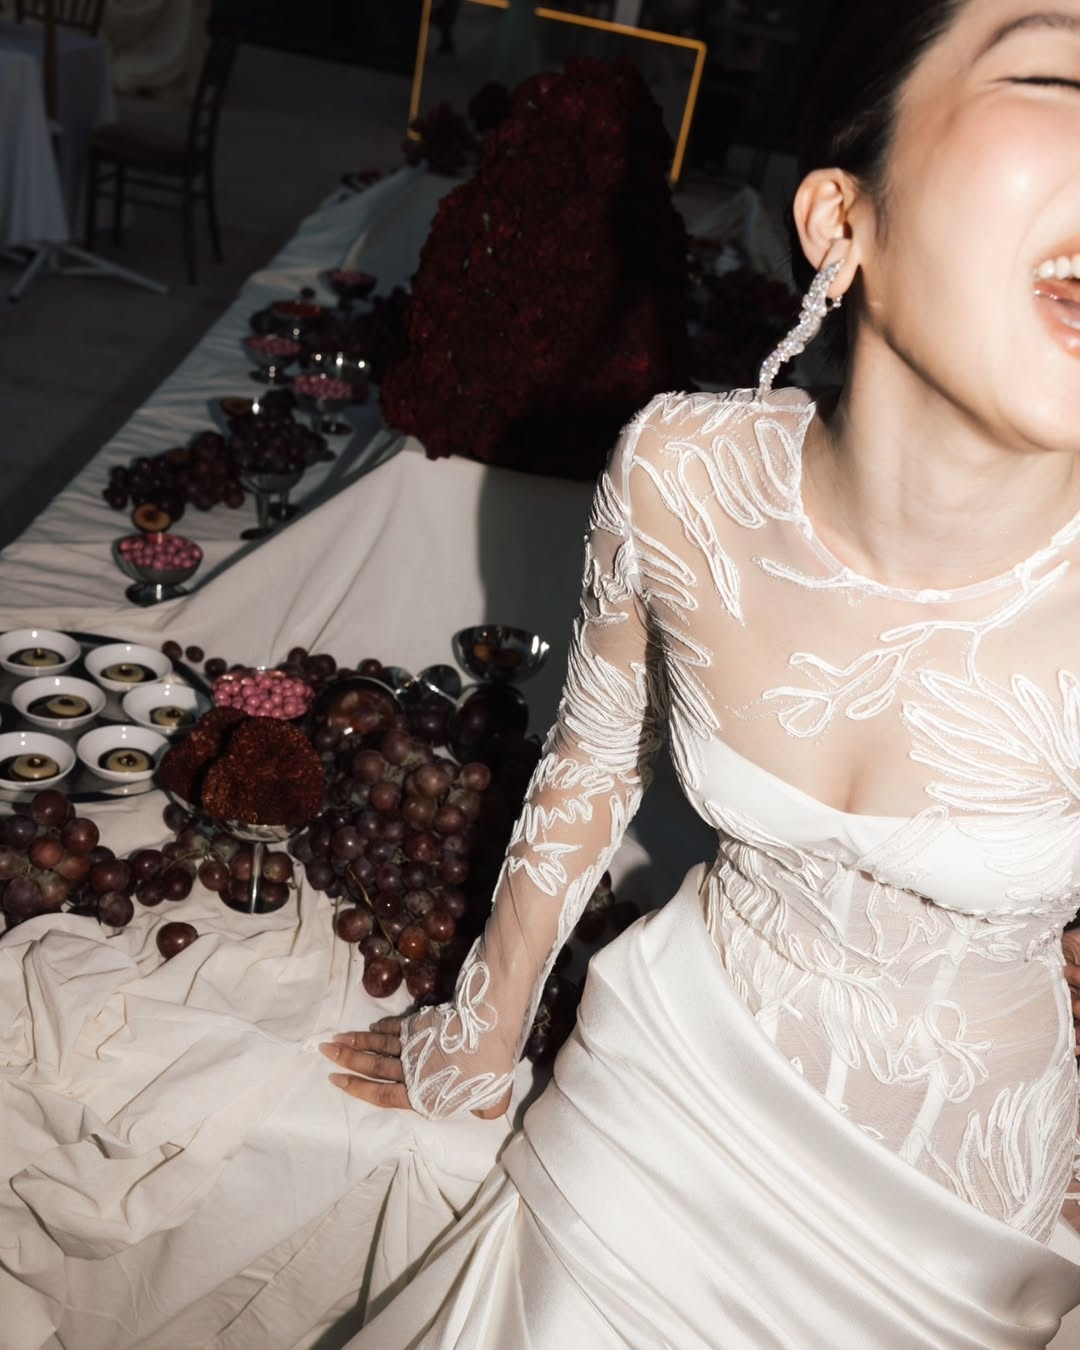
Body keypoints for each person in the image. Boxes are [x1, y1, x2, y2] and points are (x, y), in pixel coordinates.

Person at [320, 0, 1080, 1342]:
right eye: (1061, 77)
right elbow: (593, 759)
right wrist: (481, 1030)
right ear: (841, 219)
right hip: (665, 1085)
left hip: (958, 1225)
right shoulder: (682, 474)